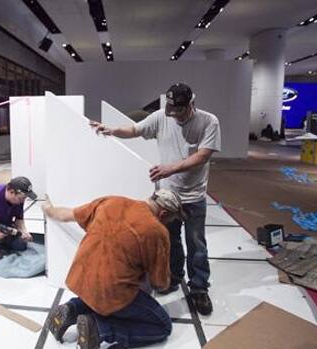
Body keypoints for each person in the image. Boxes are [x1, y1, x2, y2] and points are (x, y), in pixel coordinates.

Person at [89, 83, 221, 315]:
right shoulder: (162, 116)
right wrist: (111, 130)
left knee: (196, 243)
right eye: (170, 109)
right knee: (170, 240)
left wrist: (171, 169)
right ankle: (174, 276)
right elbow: (135, 130)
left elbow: (203, 155)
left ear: (191, 104)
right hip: (167, 197)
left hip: (193, 196)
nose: (173, 115)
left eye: (178, 111)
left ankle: (199, 288)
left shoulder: (209, 122)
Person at [43, 189, 185, 349]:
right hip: (110, 294)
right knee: (163, 326)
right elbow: (160, 283)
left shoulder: (111, 201)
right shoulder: (157, 232)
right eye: (172, 219)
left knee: (100, 289)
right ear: (163, 214)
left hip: (79, 279)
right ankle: (99, 329)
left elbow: (66, 215)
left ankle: (71, 308)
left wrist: (47, 208)